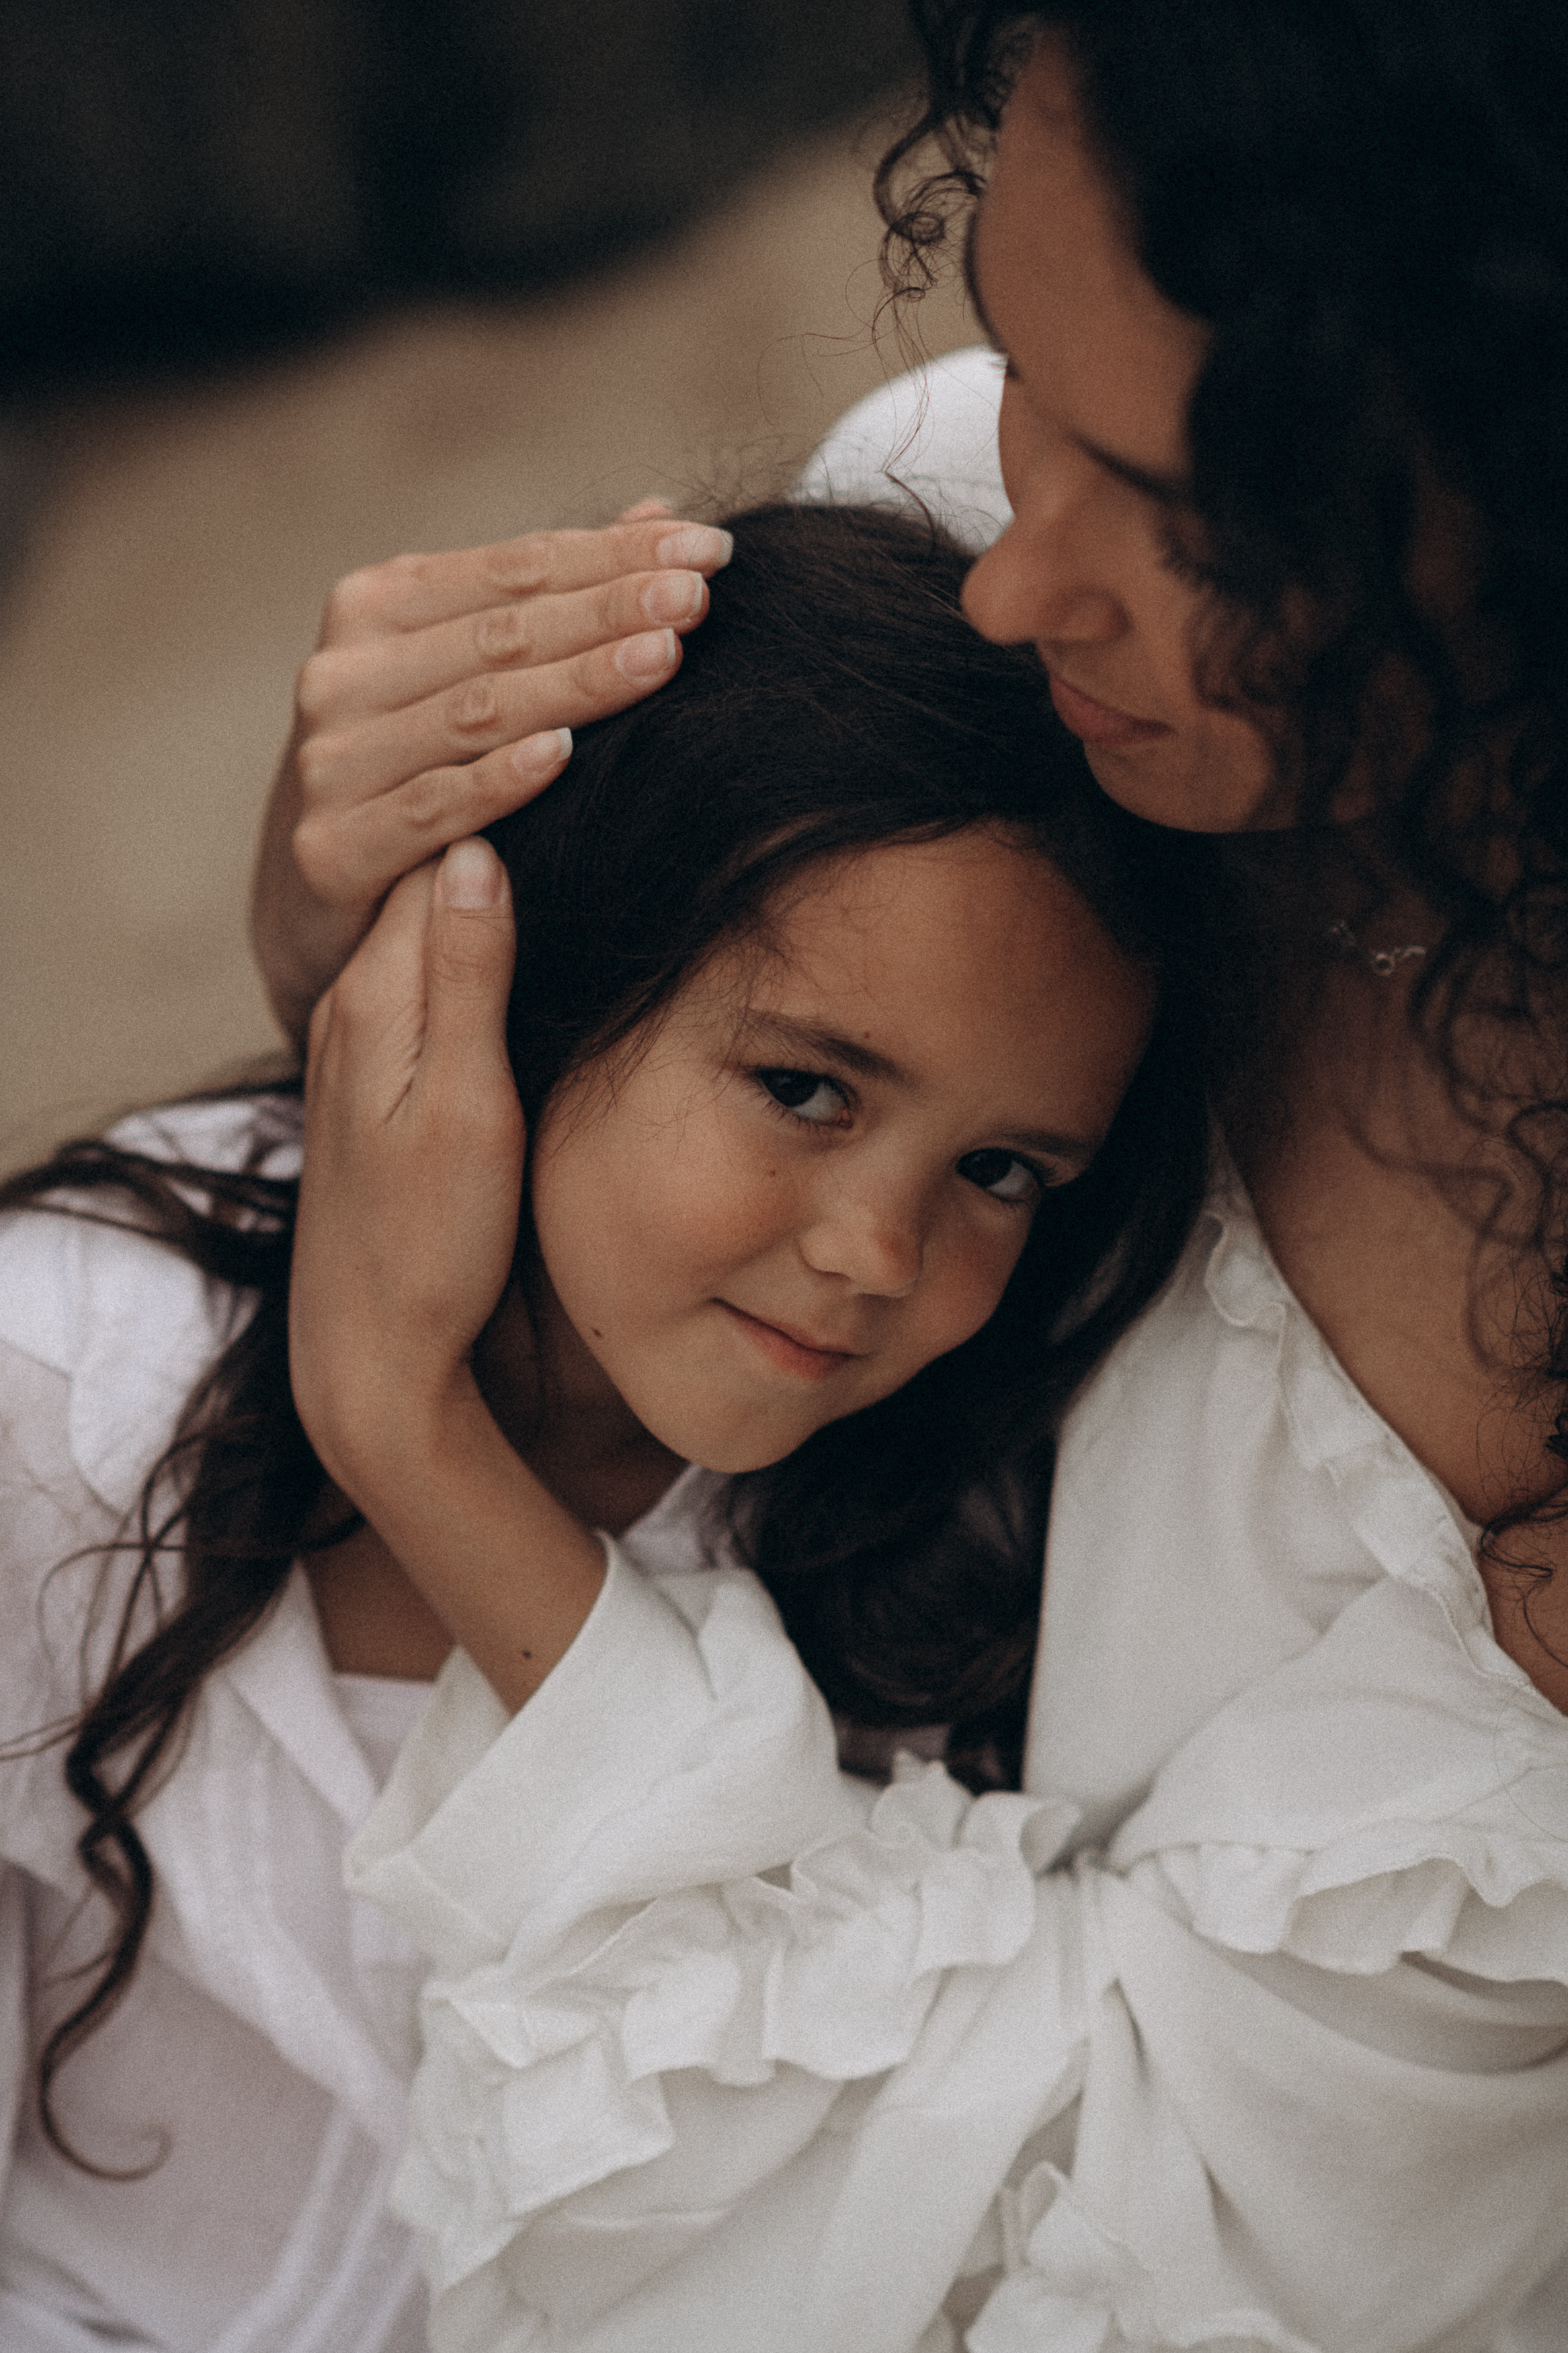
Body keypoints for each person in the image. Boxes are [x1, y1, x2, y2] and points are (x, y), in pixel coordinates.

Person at [244, 5, 1568, 2348]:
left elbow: (1038, 2257)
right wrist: (359, 920)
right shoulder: (975, 531)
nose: (1002, 573)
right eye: (1019, 367)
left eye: (1189, 518)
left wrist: (417, 1442)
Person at [0, 503, 1205, 2352]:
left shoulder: (948, 1552)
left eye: (1001, 1171)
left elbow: (813, 2172)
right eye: (804, 1087)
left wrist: (409, 1426)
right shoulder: (63, 1385)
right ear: (534, 976)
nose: (879, 1253)